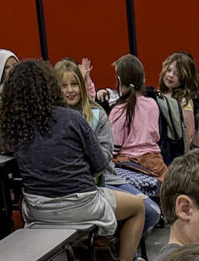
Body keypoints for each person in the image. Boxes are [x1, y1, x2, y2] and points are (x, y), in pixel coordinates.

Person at [0, 59, 145, 261]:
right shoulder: (73, 119)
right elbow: (100, 164)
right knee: (138, 207)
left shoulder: (15, 128)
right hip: (83, 206)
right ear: (51, 86)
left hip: (39, 211)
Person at [55, 59, 161, 240]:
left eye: (74, 84)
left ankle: (118, 247)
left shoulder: (96, 114)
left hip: (106, 178)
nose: (70, 90)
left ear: (81, 85)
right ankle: (121, 255)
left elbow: (105, 157)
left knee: (151, 211)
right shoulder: (52, 117)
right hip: (75, 188)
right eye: (64, 86)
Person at [108, 54, 167, 180]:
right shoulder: (152, 104)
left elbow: (114, 147)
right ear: (143, 80)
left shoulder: (118, 110)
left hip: (129, 164)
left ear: (119, 80)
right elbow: (156, 135)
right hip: (155, 161)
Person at [160, 52, 199, 151]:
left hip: (180, 152)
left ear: (185, 77)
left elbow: (189, 134)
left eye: (177, 74)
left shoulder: (184, 100)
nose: (170, 75)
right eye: (169, 70)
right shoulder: (163, 93)